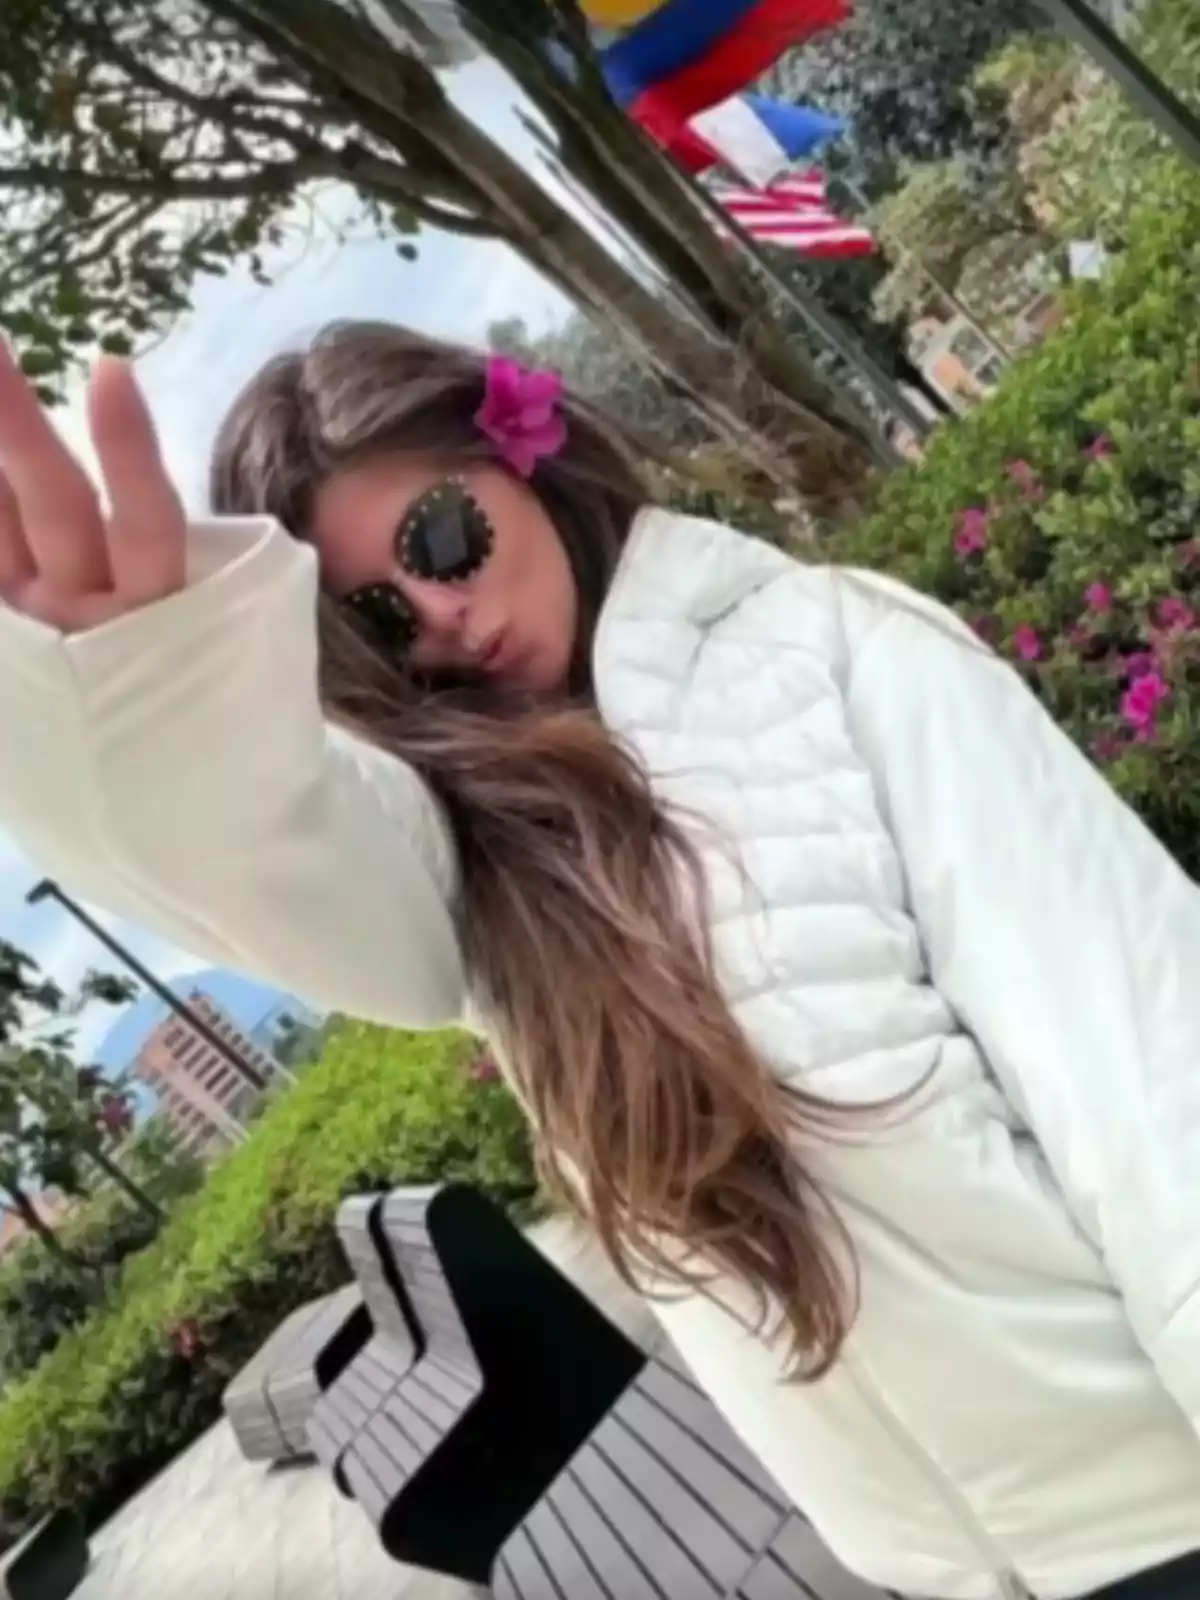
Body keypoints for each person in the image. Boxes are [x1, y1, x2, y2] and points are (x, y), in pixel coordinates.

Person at [1, 321, 1199, 1600]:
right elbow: (295, 865)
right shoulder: (488, 869)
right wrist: (149, 702)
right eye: (375, 617)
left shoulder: (832, 653)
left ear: (519, 452)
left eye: (440, 538)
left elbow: (1147, 1077)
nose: (441, 618)